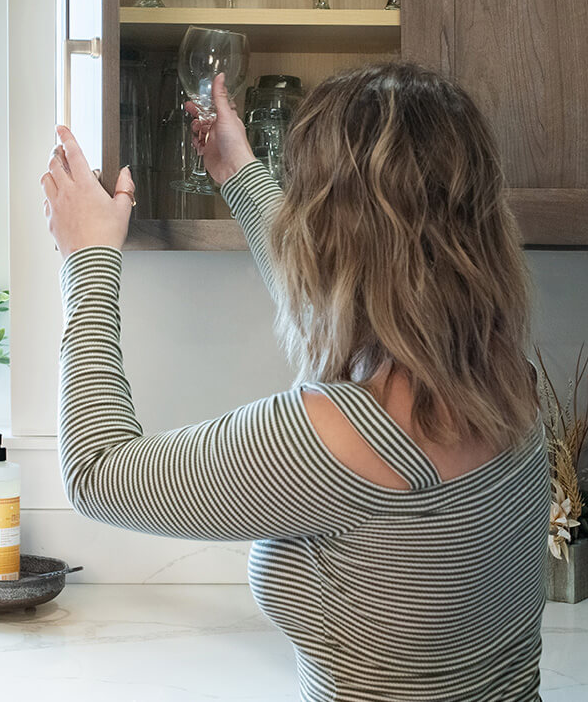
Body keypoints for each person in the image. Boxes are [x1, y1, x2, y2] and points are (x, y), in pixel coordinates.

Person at [39, 61, 548, 701]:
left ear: (334, 233)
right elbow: (343, 299)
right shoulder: (511, 387)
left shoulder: (339, 433)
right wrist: (241, 173)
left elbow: (97, 472)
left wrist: (87, 262)